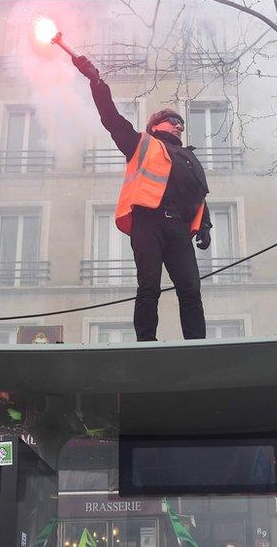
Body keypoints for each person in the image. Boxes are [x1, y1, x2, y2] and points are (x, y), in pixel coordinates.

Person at [73, 54, 212, 341]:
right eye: (173, 121)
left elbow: (199, 192)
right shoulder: (140, 144)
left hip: (178, 230)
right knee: (149, 285)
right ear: (156, 125)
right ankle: (146, 341)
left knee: (190, 288)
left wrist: (205, 227)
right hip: (148, 223)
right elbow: (111, 119)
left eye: (181, 124)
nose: (179, 126)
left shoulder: (188, 157)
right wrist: (96, 82)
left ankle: (197, 343)